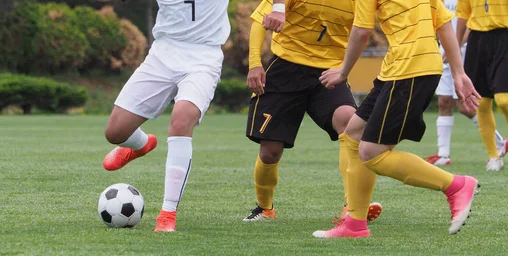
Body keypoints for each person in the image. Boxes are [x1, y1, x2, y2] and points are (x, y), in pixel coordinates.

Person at [313, 0, 481, 238]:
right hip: (399, 70)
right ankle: (355, 224)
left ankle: (456, 186)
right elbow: (443, 23)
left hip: (410, 70)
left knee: (372, 153)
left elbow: (361, 31)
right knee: (353, 134)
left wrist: (342, 72)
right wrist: (458, 73)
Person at [243, 0, 382, 222]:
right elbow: (260, 20)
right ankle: (265, 208)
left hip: (329, 73)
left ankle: (353, 206)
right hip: (285, 68)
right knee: (270, 151)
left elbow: (365, 30)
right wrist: (254, 64)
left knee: (349, 122)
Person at [102, 0, 231, 232]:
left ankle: (167, 213)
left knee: (181, 119)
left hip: (204, 56)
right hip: (163, 53)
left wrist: (278, 8)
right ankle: (141, 145)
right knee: (115, 132)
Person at [424, 0, 508, 167]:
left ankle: (499, 141)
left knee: (465, 106)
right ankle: (444, 154)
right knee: (444, 101)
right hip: (444, 50)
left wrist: (455, 47)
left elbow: (472, 23)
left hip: (463, 51)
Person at [456, 0, 508, 171]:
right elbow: (463, 15)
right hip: (476, 40)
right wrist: (455, 46)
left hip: (503, 38)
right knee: (481, 102)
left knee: (504, 100)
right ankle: (493, 156)